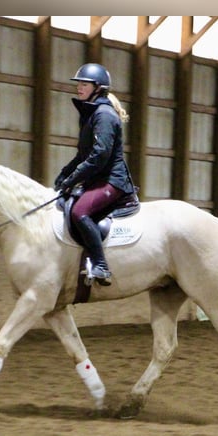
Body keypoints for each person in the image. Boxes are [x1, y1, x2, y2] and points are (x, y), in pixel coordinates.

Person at [55, 63, 135, 286]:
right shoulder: (90, 114)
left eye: (84, 84)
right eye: (78, 84)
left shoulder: (104, 115)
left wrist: (74, 179)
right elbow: (84, 154)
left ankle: (101, 265)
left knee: (80, 212)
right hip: (97, 178)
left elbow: (100, 155)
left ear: (98, 88)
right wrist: (65, 174)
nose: (79, 88)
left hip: (112, 180)